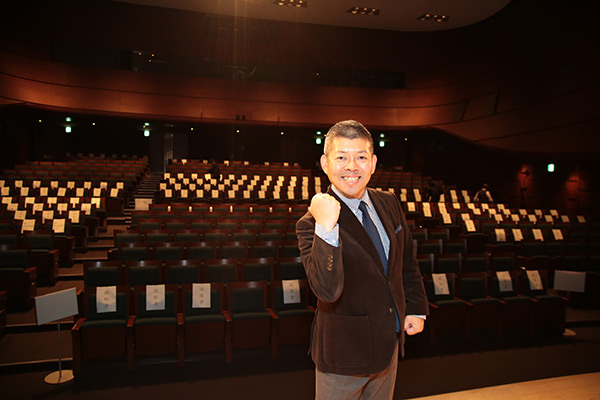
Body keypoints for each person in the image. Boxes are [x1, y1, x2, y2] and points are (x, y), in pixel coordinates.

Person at [296, 120, 429, 400]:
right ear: (325, 163)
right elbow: (326, 290)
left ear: (373, 163)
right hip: (344, 353)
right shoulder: (311, 223)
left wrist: (416, 308)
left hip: (389, 342)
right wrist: (326, 227)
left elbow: (406, 261)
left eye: (361, 157)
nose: (352, 167)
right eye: (341, 157)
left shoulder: (388, 202)